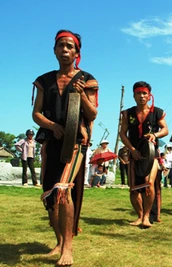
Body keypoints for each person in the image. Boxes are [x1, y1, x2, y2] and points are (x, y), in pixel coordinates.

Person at [32, 29, 98, 266]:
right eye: (61, 46)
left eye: (70, 46)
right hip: (51, 141)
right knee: (51, 195)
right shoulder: (44, 81)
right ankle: (59, 241)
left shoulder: (87, 79)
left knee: (63, 189)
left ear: (77, 52)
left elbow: (92, 114)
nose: (65, 50)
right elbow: (36, 114)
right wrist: (52, 126)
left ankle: (68, 249)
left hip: (75, 143)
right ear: (54, 50)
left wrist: (82, 96)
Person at [120, 81, 168, 227]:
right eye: (138, 93)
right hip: (134, 154)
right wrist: (132, 149)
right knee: (133, 189)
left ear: (149, 96)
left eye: (144, 93)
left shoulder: (157, 112)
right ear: (134, 96)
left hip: (151, 154)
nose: (141, 96)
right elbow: (122, 133)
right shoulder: (128, 113)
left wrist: (155, 134)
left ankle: (147, 216)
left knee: (149, 184)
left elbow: (165, 129)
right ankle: (140, 216)